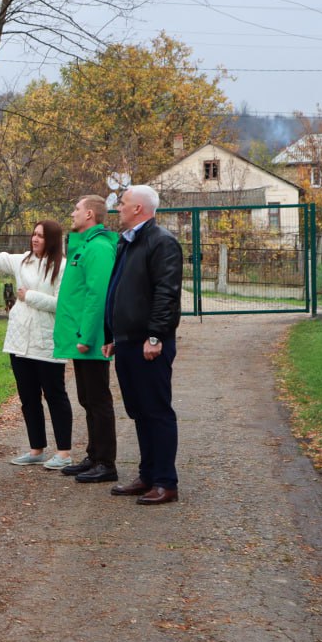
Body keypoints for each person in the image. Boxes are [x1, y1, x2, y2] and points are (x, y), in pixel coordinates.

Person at [101, 184, 183, 505]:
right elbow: (119, 289)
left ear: (138, 209)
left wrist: (155, 336)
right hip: (127, 342)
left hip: (149, 344)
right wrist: (112, 335)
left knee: (156, 411)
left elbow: (167, 294)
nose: (118, 208)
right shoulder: (128, 242)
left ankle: (165, 482)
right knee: (139, 412)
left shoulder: (161, 242)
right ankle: (147, 475)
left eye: (122, 203)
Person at [0, 214, 72, 469]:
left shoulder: (62, 267)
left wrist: (30, 297)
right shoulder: (22, 261)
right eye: (34, 234)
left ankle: (63, 452)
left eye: (41, 235)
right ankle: (36, 449)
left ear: (52, 240)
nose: (35, 239)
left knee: (55, 395)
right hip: (19, 341)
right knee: (28, 397)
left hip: (46, 341)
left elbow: (62, 305)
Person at [53, 196, 119, 483]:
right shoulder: (86, 246)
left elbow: (97, 295)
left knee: (98, 399)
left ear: (90, 214)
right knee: (87, 399)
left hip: (89, 340)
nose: (72, 212)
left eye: (76, 208)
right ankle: (94, 456)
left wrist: (87, 336)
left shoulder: (101, 248)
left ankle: (106, 462)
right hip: (80, 338)